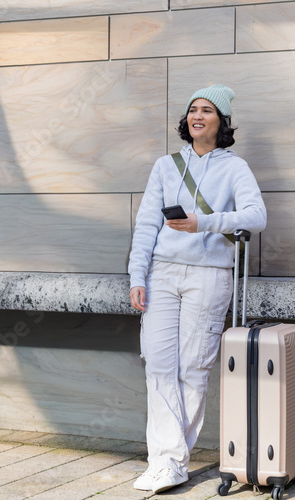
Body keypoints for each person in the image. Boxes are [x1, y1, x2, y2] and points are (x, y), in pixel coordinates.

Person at [128, 84, 267, 494]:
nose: (197, 116)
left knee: (192, 367)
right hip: (162, 274)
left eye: (207, 110)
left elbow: (256, 216)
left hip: (208, 275)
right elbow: (146, 226)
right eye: (192, 110)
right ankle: (167, 460)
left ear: (221, 122)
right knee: (157, 364)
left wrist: (202, 222)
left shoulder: (234, 168)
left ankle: (169, 463)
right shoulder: (166, 166)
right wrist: (138, 276)